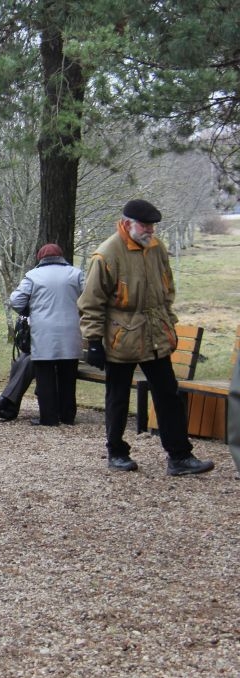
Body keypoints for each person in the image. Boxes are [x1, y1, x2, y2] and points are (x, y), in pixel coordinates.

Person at [78, 199, 214, 475]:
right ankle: (116, 452)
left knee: (168, 395)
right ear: (127, 223)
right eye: (145, 225)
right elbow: (91, 303)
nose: (150, 230)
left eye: (152, 225)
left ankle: (179, 456)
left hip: (155, 335)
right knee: (117, 396)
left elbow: (167, 288)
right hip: (121, 338)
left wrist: (167, 321)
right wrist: (93, 342)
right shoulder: (106, 254)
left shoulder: (156, 248)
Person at [8, 244, 85, 426]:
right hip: (70, 331)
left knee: (45, 376)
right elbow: (89, 297)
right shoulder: (76, 274)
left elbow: (15, 300)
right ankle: (67, 415)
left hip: (44, 332)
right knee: (68, 375)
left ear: (40, 258)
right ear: (61, 256)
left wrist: (29, 310)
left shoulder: (33, 276)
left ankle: (48, 417)